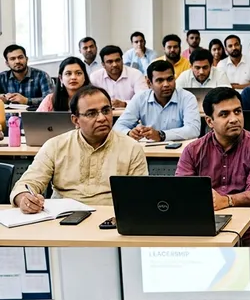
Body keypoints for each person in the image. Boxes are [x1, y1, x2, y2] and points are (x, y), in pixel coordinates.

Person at [11, 86, 148, 212]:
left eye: (106, 111)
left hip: (111, 219)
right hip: (61, 220)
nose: (102, 118)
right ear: (75, 120)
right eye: (91, 113)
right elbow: (26, 184)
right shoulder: (56, 145)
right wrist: (25, 198)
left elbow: (141, 196)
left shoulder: (132, 148)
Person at [176, 87, 250, 246]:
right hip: (204, 222)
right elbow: (182, 192)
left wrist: (226, 200)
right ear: (209, 121)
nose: (234, 119)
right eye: (224, 114)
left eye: (237, 111)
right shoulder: (193, 151)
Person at [114, 60, 201, 143]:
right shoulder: (140, 98)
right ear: (149, 83)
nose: (166, 84)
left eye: (170, 79)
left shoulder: (187, 97)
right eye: (160, 80)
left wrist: (161, 135)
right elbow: (118, 126)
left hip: (180, 153)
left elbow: (193, 130)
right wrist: (129, 133)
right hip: (148, 152)